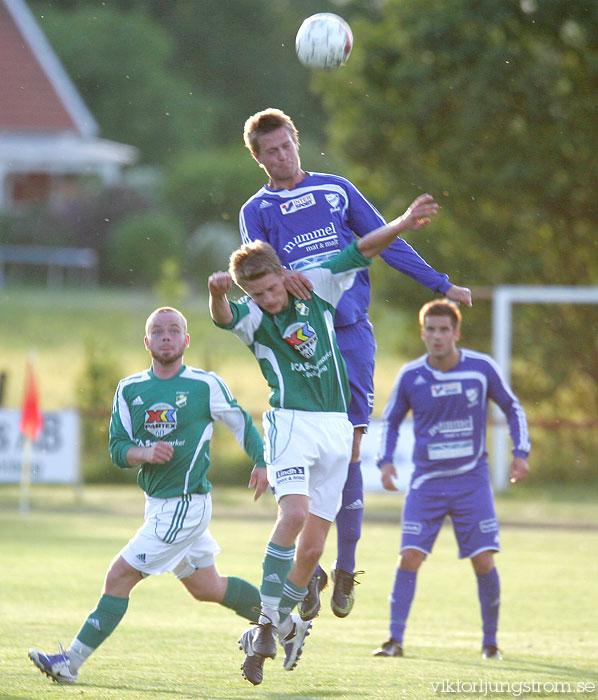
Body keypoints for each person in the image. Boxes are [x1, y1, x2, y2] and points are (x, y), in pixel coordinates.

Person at [240, 107, 472, 620]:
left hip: (351, 337)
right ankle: (313, 565)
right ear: (257, 158)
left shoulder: (336, 189)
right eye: (269, 152)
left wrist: (439, 283)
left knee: (350, 450)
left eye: (286, 146)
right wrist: (284, 273)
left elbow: (385, 239)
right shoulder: (256, 209)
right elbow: (255, 270)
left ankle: (343, 568)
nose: (281, 156)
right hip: (303, 343)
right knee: (318, 453)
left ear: (297, 141)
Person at [209, 192, 442, 685]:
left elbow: (362, 248)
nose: (270, 300)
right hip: (291, 421)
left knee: (313, 551)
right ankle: (270, 626)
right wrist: (217, 294)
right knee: (292, 515)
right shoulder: (255, 318)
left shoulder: (314, 286)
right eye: (259, 295)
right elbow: (225, 318)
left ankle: (272, 626)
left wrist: (400, 220)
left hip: (336, 427)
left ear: (283, 274)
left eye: (272, 289)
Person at [28, 306, 276, 684]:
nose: (166, 336)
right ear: (147, 342)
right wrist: (145, 453)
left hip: (185, 505)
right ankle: (285, 624)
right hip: (159, 506)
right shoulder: (130, 389)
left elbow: (240, 421)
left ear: (185, 340)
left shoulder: (203, 384)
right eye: (158, 331)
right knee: (208, 587)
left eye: (174, 330)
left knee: (118, 576)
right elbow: (117, 449)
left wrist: (261, 460)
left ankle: (69, 663)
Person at [372, 299, 530, 660]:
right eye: (431, 329)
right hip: (426, 483)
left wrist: (520, 454)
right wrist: (385, 462)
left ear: (456, 333)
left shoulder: (480, 369)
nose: (438, 336)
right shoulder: (411, 375)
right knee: (409, 556)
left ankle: (490, 644)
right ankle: (394, 640)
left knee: (483, 561)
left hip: (470, 482)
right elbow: (391, 420)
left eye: (445, 330)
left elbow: (512, 407)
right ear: (423, 332)